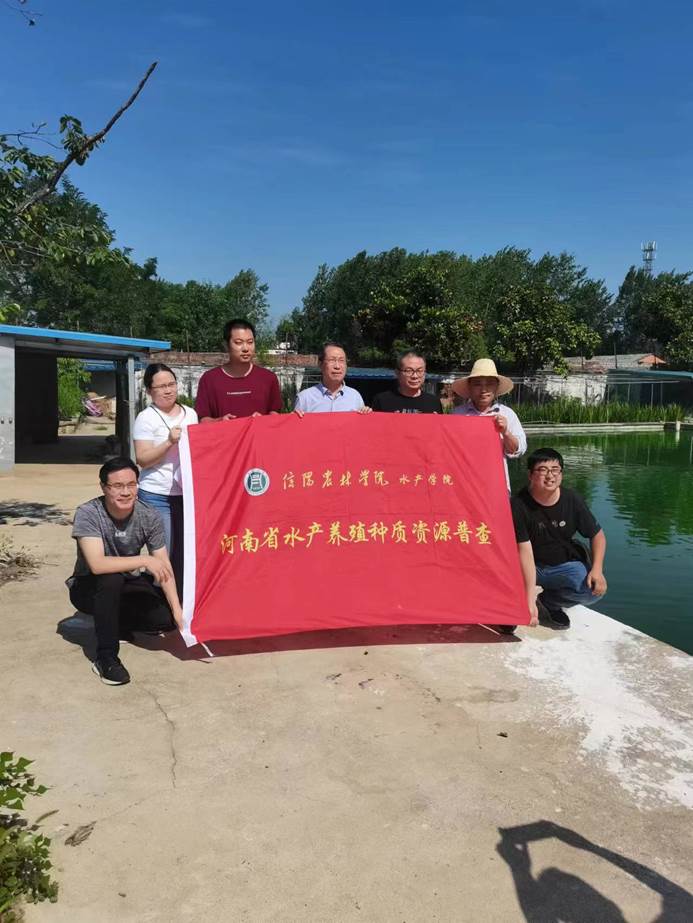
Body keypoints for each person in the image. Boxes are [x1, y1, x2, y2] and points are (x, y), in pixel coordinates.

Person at [67, 457, 183, 686]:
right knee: (110, 579)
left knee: (166, 619)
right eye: (118, 486)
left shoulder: (149, 515)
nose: (126, 492)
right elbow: (97, 564)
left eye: (131, 484)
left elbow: (163, 565)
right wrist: (144, 559)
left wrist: (178, 610)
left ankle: (116, 623)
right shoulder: (89, 513)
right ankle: (106, 658)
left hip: (128, 581)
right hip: (89, 586)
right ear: (104, 487)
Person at [514, 447, 607, 629]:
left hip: (562, 566)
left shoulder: (572, 499)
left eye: (555, 470)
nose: (550, 476)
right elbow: (524, 551)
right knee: (506, 584)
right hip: (528, 566)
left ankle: (550, 602)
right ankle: (514, 605)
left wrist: (597, 569)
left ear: (561, 474)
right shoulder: (518, 505)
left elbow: (597, 535)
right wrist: (529, 599)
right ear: (530, 475)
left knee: (592, 591)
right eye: (542, 470)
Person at [134, 363, 198, 597]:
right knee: (163, 554)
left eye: (171, 384)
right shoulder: (146, 418)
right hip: (157, 495)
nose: (168, 390)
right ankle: (159, 602)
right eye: (161, 386)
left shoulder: (190, 414)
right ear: (149, 391)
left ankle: (182, 602)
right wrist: (169, 442)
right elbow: (143, 459)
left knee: (185, 552)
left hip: (186, 494)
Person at [452, 358, 526, 488]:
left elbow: (518, 450)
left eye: (489, 384)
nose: (483, 390)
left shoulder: (507, 414)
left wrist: (505, 432)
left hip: (496, 485)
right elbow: (447, 450)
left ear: (496, 387)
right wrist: (438, 426)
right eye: (477, 384)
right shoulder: (457, 414)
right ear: (469, 387)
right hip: (464, 485)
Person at [195, 319, 282, 421]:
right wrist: (219, 421)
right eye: (238, 343)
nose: (245, 348)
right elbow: (203, 420)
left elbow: (275, 415)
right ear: (226, 345)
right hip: (224, 432)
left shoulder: (268, 378)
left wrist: (263, 420)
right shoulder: (209, 379)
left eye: (250, 342)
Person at [294, 342, 371, 414]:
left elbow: (361, 424)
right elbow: (295, 424)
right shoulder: (304, 398)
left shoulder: (355, 397)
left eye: (341, 360)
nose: (337, 366)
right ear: (320, 364)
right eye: (332, 360)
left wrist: (367, 414)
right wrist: (293, 418)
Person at [371, 351, 443, 413]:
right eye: (409, 371)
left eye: (419, 371)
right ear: (397, 373)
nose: (415, 376)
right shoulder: (382, 400)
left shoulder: (433, 402)